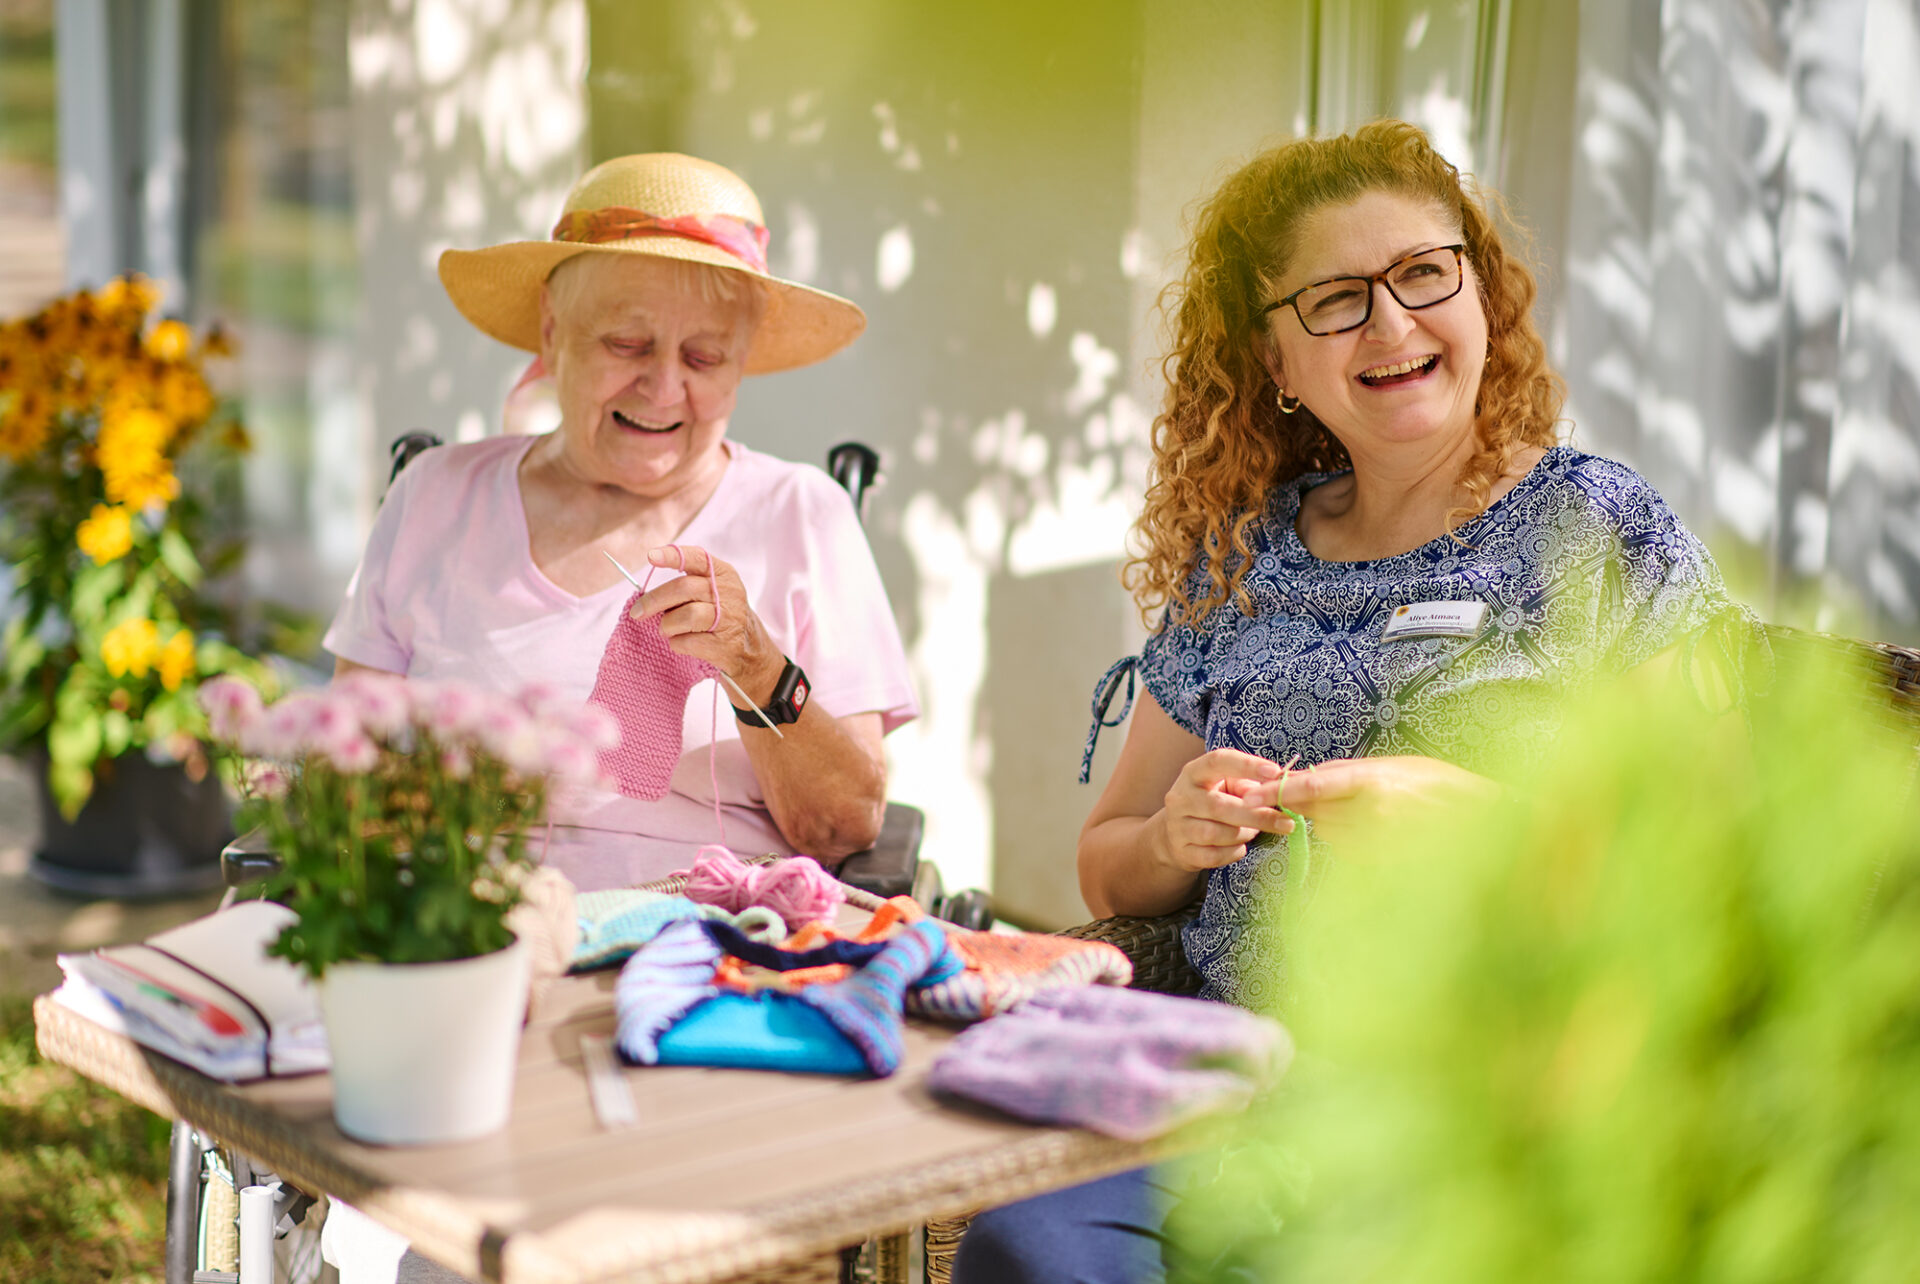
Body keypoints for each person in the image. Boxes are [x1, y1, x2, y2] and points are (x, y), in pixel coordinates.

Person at [954, 119, 1750, 1282]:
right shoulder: (1241, 562)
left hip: (1493, 1088)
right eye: (1334, 299)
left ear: (1481, 292)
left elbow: (1721, 853)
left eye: (1424, 274)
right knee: (1026, 1249)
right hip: (1229, 1084)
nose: (1392, 324)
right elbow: (1109, 866)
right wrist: (1176, 833)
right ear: (1275, 362)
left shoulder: (1598, 526)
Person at [322, 153, 918, 893]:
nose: (664, 387)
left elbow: (846, 823)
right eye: (626, 344)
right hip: (459, 917)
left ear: (740, 365)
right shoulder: (436, 495)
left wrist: (757, 666)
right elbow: (340, 762)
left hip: (707, 933)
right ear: (550, 334)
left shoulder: (801, 514)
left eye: (705, 355)